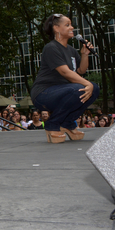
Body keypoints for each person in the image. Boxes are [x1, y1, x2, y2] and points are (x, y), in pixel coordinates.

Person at [31, 14, 100, 143]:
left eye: (71, 25)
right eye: (67, 25)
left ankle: (67, 123)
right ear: (56, 28)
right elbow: (65, 72)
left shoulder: (71, 50)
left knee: (94, 88)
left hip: (65, 90)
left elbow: (81, 71)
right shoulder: (51, 48)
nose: (72, 27)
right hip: (44, 93)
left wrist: (85, 55)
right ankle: (53, 124)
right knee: (80, 88)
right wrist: (86, 84)